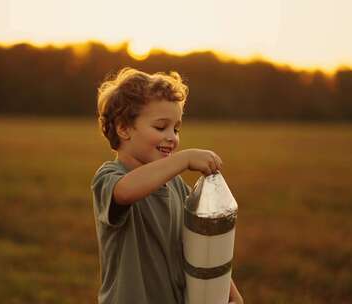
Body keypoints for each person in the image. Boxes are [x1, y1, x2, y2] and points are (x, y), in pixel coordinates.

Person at [91, 67, 244, 304]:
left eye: (176, 128)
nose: (172, 137)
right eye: (161, 127)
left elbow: (197, 244)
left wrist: (228, 292)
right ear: (123, 128)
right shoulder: (110, 177)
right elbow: (125, 191)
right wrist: (184, 159)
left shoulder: (176, 186)